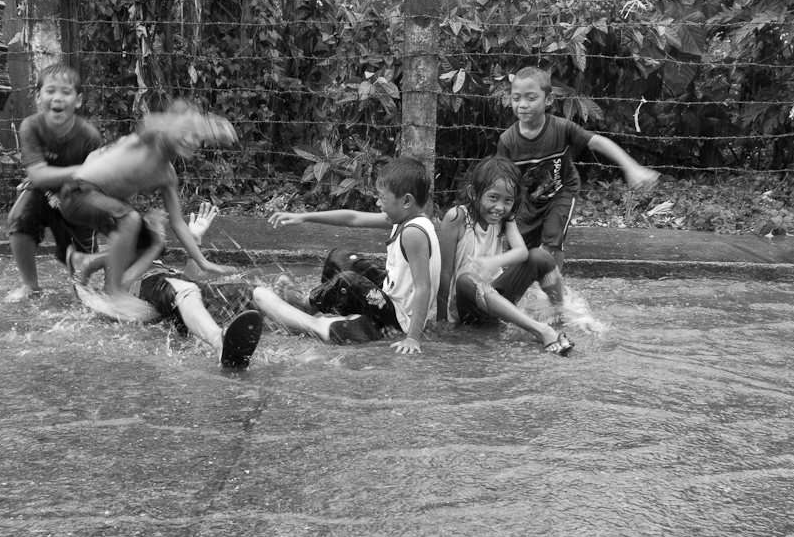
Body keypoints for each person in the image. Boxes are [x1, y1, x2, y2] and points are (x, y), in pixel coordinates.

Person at [57, 99, 239, 313]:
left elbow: (178, 223)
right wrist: (206, 124)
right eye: (186, 131)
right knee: (130, 219)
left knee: (148, 244)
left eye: (197, 136)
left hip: (106, 203)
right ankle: (115, 293)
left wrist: (203, 262)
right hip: (76, 193)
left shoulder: (168, 175)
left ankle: (86, 263)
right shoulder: (149, 140)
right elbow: (150, 121)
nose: (191, 139)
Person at [253, 157, 441, 355]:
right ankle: (326, 307)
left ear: (406, 201)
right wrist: (304, 217)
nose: (377, 203)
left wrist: (412, 337)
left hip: (399, 317)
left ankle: (305, 305)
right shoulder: (405, 217)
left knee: (348, 282)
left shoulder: (414, 233)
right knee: (339, 257)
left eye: (382, 198)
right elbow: (354, 218)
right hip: (389, 293)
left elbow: (423, 287)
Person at [498, 66, 660, 271]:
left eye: (531, 98)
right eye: (516, 98)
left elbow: (598, 142)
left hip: (561, 192)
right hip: (527, 201)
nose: (522, 105)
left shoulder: (562, 128)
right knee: (515, 253)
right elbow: (502, 179)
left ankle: (555, 292)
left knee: (552, 242)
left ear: (548, 99)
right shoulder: (507, 141)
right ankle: (514, 292)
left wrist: (631, 167)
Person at [70, 203, 263, 367]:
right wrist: (85, 295)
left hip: (178, 297)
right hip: (158, 296)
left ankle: (288, 309)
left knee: (248, 292)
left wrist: (196, 240)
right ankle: (219, 341)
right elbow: (117, 285)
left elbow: (189, 285)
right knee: (180, 289)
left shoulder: (156, 264)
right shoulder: (117, 259)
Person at [438, 157, 574, 355]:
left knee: (541, 257)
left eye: (508, 201)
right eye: (493, 198)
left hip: (499, 302)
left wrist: (494, 261)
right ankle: (540, 330)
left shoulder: (504, 218)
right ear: (473, 193)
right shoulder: (456, 217)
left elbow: (522, 252)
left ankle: (560, 315)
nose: (500, 207)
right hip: (470, 307)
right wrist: (441, 320)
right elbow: (445, 273)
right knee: (465, 279)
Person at [4, 62, 105, 302]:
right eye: (50, 91)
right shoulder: (31, 126)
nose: (57, 98)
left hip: (78, 199)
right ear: (38, 97)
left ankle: (82, 287)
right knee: (18, 219)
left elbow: (99, 180)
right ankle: (30, 285)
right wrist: (83, 169)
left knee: (81, 284)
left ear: (78, 100)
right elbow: (38, 175)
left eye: (66, 92)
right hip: (42, 193)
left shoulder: (89, 136)